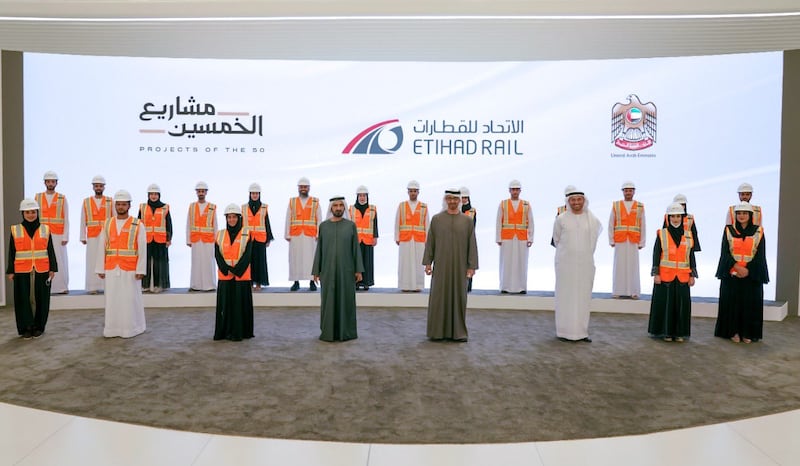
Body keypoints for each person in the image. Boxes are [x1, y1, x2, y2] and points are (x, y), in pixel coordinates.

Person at [423, 189, 479, 342]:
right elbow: (431, 243)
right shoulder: (437, 219)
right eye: (449, 199)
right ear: (445, 200)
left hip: (460, 267)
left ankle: (458, 333)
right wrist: (428, 262)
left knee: (459, 297)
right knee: (439, 297)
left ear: (460, 201)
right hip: (441, 266)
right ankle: (437, 332)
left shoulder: (467, 221)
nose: (452, 202)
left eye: (455, 199)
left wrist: (471, 266)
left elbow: (472, 245)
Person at [552, 187, 602, 342]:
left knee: (582, 297)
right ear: (568, 201)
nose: (576, 203)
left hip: (585, 265)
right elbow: (557, 239)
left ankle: (581, 332)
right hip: (566, 265)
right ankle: (564, 332)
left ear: (584, 200)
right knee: (565, 296)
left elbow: (595, 239)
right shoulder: (561, 219)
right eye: (573, 200)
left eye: (579, 199)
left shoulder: (592, 220)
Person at [714, 202, 769, 343]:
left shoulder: (759, 231)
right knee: (732, 304)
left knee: (750, 304)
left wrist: (747, 270)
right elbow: (725, 253)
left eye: (744, 213)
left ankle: (747, 333)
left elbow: (760, 255)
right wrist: (736, 268)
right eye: (739, 213)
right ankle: (733, 332)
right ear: (735, 215)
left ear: (750, 215)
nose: (741, 216)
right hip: (732, 273)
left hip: (751, 275)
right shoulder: (728, 230)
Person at [96, 190, 147, 338]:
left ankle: (134, 328)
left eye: (123, 204)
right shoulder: (108, 223)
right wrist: (100, 267)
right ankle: (112, 329)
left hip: (130, 268)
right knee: (112, 299)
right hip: (112, 267)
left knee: (130, 300)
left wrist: (141, 269)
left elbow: (142, 247)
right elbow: (102, 245)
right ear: (114, 205)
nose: (120, 207)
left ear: (129, 205)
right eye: (118, 204)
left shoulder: (137, 224)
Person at [312, 197, 364, 342]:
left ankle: (346, 332)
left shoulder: (350, 226)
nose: (338, 208)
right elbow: (319, 250)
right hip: (327, 271)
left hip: (346, 271)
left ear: (344, 208)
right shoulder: (323, 226)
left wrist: (358, 270)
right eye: (335, 205)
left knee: (346, 300)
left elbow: (355, 249)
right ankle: (328, 332)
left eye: (341, 205)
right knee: (328, 301)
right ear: (331, 208)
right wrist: (316, 270)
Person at [6, 199, 57, 339]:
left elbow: (50, 249)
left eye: (33, 212)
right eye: (28, 212)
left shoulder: (45, 229)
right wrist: (10, 270)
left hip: (42, 269)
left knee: (41, 299)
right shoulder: (15, 229)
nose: (31, 215)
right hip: (22, 269)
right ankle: (26, 327)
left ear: (37, 212)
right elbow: (11, 251)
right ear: (23, 213)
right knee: (23, 299)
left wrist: (53, 268)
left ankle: (39, 326)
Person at [648, 202, 697, 342]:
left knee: (681, 306)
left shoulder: (689, 235)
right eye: (672, 216)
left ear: (682, 218)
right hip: (665, 276)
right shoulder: (661, 233)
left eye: (678, 216)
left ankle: (680, 333)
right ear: (667, 218)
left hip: (682, 277)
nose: (675, 219)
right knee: (666, 305)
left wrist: (692, 275)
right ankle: (666, 332)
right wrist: (656, 273)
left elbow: (691, 255)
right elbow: (656, 254)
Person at [214, 204, 254, 341]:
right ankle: (224, 332)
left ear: (239, 218)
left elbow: (247, 256)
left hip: (241, 276)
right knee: (225, 306)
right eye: (229, 217)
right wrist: (226, 269)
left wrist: (236, 270)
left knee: (240, 306)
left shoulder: (247, 234)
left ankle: (240, 332)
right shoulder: (219, 234)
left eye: (234, 217)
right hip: (225, 276)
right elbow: (217, 255)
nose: (231, 220)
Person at [608, 181, 646, 299]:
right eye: (626, 190)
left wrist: (642, 241)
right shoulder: (616, 205)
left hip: (634, 239)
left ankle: (634, 291)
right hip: (620, 239)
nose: (628, 192)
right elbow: (611, 222)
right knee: (619, 265)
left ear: (634, 191)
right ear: (623, 192)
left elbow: (643, 224)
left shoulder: (639, 206)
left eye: (630, 190)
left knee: (633, 266)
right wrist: (611, 240)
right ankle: (617, 291)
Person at [496, 180, 534, 294]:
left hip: (522, 237)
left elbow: (531, 222)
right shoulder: (503, 204)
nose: (515, 191)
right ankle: (505, 286)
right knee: (506, 262)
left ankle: (521, 287)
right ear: (509, 190)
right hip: (507, 236)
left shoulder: (526, 204)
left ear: (520, 191)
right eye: (513, 189)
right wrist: (498, 237)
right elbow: (499, 221)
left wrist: (530, 238)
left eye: (517, 189)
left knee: (522, 261)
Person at [35, 170, 69, 294]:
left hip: (58, 234)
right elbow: (35, 216)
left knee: (59, 260)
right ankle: (46, 286)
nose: (50, 183)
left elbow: (66, 217)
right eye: (48, 181)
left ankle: (61, 287)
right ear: (45, 183)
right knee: (44, 260)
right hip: (43, 233)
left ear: (56, 183)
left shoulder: (62, 198)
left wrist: (66, 236)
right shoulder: (38, 197)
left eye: (52, 181)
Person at [285, 177, 321, 292]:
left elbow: (319, 218)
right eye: (301, 187)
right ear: (298, 188)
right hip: (296, 235)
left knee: (312, 259)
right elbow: (288, 218)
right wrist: (287, 234)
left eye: (305, 187)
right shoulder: (292, 201)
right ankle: (296, 282)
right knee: (295, 259)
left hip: (311, 235)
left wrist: (319, 234)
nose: (303, 189)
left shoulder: (315, 202)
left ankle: (312, 281)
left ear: (309, 188)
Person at [80, 175, 112, 294]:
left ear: (104, 187)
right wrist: (82, 236)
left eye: (100, 186)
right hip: (92, 234)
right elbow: (83, 219)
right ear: (93, 187)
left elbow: (114, 218)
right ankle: (92, 286)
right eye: (96, 186)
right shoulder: (87, 202)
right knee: (92, 260)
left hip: (106, 234)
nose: (98, 188)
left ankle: (105, 286)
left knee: (105, 259)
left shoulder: (110, 201)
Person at [395, 180, 429, 292]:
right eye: (411, 191)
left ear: (418, 192)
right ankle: (404, 285)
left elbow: (427, 223)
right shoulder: (402, 206)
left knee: (419, 263)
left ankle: (418, 286)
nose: (413, 193)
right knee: (405, 263)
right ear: (408, 192)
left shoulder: (424, 207)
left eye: (415, 191)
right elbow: (397, 222)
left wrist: (428, 240)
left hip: (419, 239)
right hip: (405, 238)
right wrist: (397, 237)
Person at [138, 183, 172, 293]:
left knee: (160, 264)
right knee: (145, 262)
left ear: (159, 195)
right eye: (151, 194)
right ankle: (145, 285)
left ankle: (159, 285)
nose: (153, 196)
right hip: (146, 239)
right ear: (148, 195)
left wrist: (168, 238)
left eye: (155, 194)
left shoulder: (165, 207)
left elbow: (169, 224)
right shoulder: (142, 207)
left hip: (160, 240)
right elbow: (138, 223)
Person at [242, 182, 274, 291]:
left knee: (260, 262)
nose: (255, 195)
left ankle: (259, 283)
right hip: (248, 239)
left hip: (260, 239)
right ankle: (250, 283)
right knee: (248, 261)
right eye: (253, 193)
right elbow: (241, 224)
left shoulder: (264, 207)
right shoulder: (244, 208)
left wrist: (269, 238)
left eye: (257, 193)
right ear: (249, 194)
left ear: (259, 194)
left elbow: (267, 223)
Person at [186, 181, 217, 292]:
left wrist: (216, 240)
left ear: (206, 192)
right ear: (196, 192)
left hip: (208, 240)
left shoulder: (212, 207)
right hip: (195, 239)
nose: (201, 193)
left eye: (202, 191)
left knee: (208, 262)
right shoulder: (192, 206)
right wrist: (188, 239)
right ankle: (196, 285)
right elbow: (188, 223)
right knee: (196, 262)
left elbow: (215, 224)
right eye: (199, 191)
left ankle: (210, 285)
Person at [349, 185, 378, 291]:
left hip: (368, 240)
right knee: (355, 262)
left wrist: (375, 237)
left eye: (364, 195)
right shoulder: (351, 209)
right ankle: (356, 282)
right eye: (360, 195)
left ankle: (366, 282)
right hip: (355, 240)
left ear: (367, 196)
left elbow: (375, 224)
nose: (362, 198)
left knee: (367, 262)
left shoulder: (372, 209)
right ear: (357, 197)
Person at [460, 186, 476, 292]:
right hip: (455, 241)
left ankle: (467, 286)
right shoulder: (454, 209)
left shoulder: (472, 211)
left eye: (466, 197)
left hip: (467, 240)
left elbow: (473, 226)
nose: (464, 199)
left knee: (468, 263)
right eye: (462, 197)